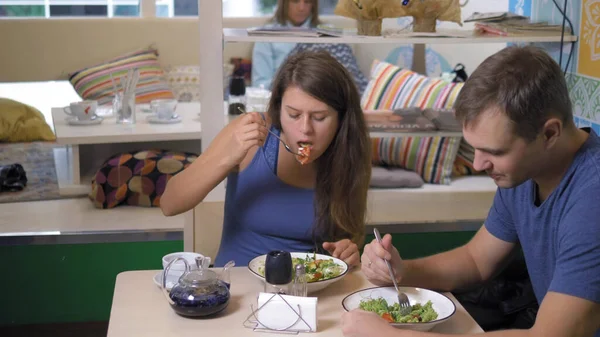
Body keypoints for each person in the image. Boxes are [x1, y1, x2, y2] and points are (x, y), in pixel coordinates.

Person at [341, 45, 600, 337]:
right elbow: (476, 261)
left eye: (493, 151)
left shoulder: (592, 198)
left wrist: (391, 335)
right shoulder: (526, 170)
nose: (478, 164)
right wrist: (401, 271)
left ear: (550, 133)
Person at [161, 50, 372, 268]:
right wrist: (226, 157)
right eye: (293, 115)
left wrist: (347, 251)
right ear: (279, 109)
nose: (305, 129)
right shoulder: (252, 132)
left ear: (341, 120)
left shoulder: (349, 154)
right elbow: (169, 204)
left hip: (307, 290)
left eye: (319, 118)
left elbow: (349, 236)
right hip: (238, 286)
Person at [251, 0, 321, 90]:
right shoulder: (267, 33)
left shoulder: (328, 34)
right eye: (295, 1)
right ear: (284, 3)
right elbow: (259, 85)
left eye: (307, 2)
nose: (301, 8)